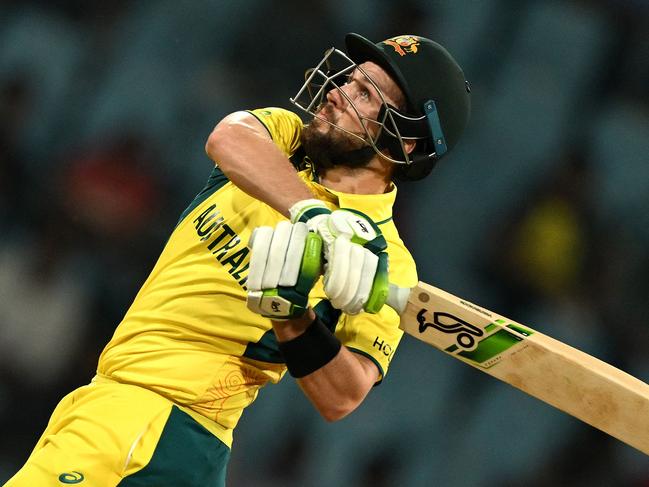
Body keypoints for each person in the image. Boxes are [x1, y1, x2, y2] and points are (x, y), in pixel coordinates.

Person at [6, 32, 470, 486]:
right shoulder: (287, 142)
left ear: (405, 142)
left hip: (156, 426)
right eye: (350, 79)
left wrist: (293, 320)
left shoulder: (385, 258)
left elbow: (343, 396)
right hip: (121, 410)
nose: (337, 92)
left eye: (364, 94)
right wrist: (313, 215)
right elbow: (228, 137)